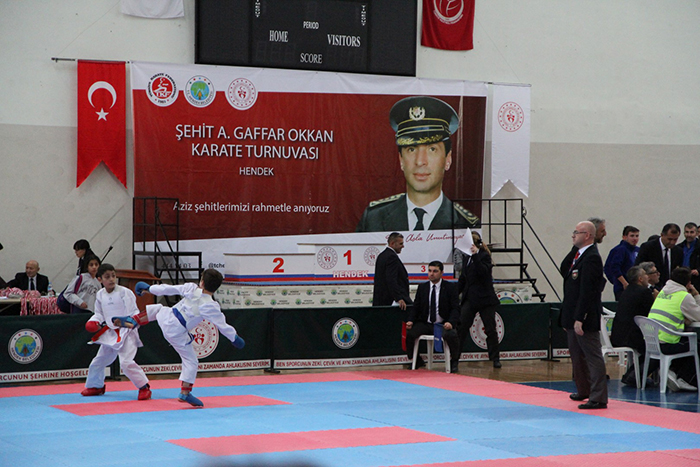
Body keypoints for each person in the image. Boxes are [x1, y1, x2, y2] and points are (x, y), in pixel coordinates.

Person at [113, 269, 245, 408]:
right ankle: (185, 392)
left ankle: (134, 320)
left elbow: (168, 289)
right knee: (191, 361)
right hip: (177, 332)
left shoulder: (191, 288)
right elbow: (222, 325)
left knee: (158, 309)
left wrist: (149, 288)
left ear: (202, 282)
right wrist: (234, 338)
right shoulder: (211, 306)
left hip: (167, 317)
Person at [356, 96, 479, 232]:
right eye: (411, 149)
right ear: (401, 160)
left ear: (448, 159)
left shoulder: (466, 225)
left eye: (432, 149)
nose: (420, 161)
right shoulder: (373, 219)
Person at [81, 263, 151, 400]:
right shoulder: (100, 294)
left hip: (127, 332)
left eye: (113, 276)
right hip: (111, 333)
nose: (111, 279)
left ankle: (144, 387)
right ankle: (96, 386)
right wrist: (93, 321)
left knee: (126, 363)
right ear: (100, 279)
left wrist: (126, 322)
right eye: (107, 277)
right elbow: (99, 314)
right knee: (98, 361)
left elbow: (134, 312)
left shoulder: (125, 292)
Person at [560, 221, 608, 409]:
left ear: (587, 235)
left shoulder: (592, 257)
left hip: (584, 315)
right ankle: (584, 389)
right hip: (572, 313)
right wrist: (575, 248)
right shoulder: (579, 255)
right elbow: (564, 270)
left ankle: (598, 397)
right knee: (576, 355)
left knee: (592, 356)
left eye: (577, 232)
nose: (573, 235)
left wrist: (580, 317)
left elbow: (588, 291)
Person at [647, 267, 700, 391]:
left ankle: (672, 372)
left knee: (687, 343)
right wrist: (697, 295)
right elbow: (698, 315)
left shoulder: (662, 292)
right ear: (688, 283)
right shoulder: (683, 296)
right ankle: (685, 379)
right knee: (696, 346)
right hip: (667, 342)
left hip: (652, 342)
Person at [405, 261, 461, 372]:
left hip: (442, 324)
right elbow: (416, 307)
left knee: (452, 335)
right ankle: (417, 360)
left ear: (442, 273)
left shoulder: (450, 287)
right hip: (427, 323)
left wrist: (451, 322)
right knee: (410, 334)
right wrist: (411, 320)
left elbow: (455, 308)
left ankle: (454, 361)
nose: (431, 274)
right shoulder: (423, 287)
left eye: (435, 271)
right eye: (430, 271)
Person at [458, 231, 502, 368]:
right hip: (470, 298)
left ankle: (495, 358)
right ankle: (455, 358)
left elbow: (483, 273)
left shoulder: (484, 256)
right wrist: (455, 294)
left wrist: (476, 255)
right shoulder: (466, 258)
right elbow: (463, 278)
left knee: (490, 329)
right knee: (462, 327)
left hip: (485, 299)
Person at [610, 265, 657, 387]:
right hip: (632, 336)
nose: (647, 277)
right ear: (640, 279)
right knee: (657, 349)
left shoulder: (626, 291)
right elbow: (652, 313)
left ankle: (632, 374)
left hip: (619, 334)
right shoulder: (644, 292)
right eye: (645, 275)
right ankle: (634, 375)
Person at [635, 223, 683, 290]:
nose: (672, 242)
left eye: (675, 239)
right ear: (662, 235)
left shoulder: (678, 251)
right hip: (651, 288)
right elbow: (638, 268)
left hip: (670, 288)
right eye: (669, 239)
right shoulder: (648, 247)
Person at [372, 232, 412, 310]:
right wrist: (398, 298)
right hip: (390, 301)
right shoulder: (391, 257)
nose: (403, 246)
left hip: (381, 301)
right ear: (392, 243)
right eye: (401, 244)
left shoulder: (382, 255)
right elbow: (391, 279)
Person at [604, 225, 640, 300]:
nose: (635, 238)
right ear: (624, 237)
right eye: (632, 236)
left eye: (637, 236)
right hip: (623, 287)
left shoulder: (637, 250)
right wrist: (622, 282)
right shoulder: (620, 250)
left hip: (636, 286)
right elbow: (612, 267)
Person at [678, 222, 700, 289]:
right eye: (687, 232)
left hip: (696, 280)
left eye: (691, 232)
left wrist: (698, 270)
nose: (689, 235)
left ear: (697, 233)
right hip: (681, 279)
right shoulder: (679, 247)